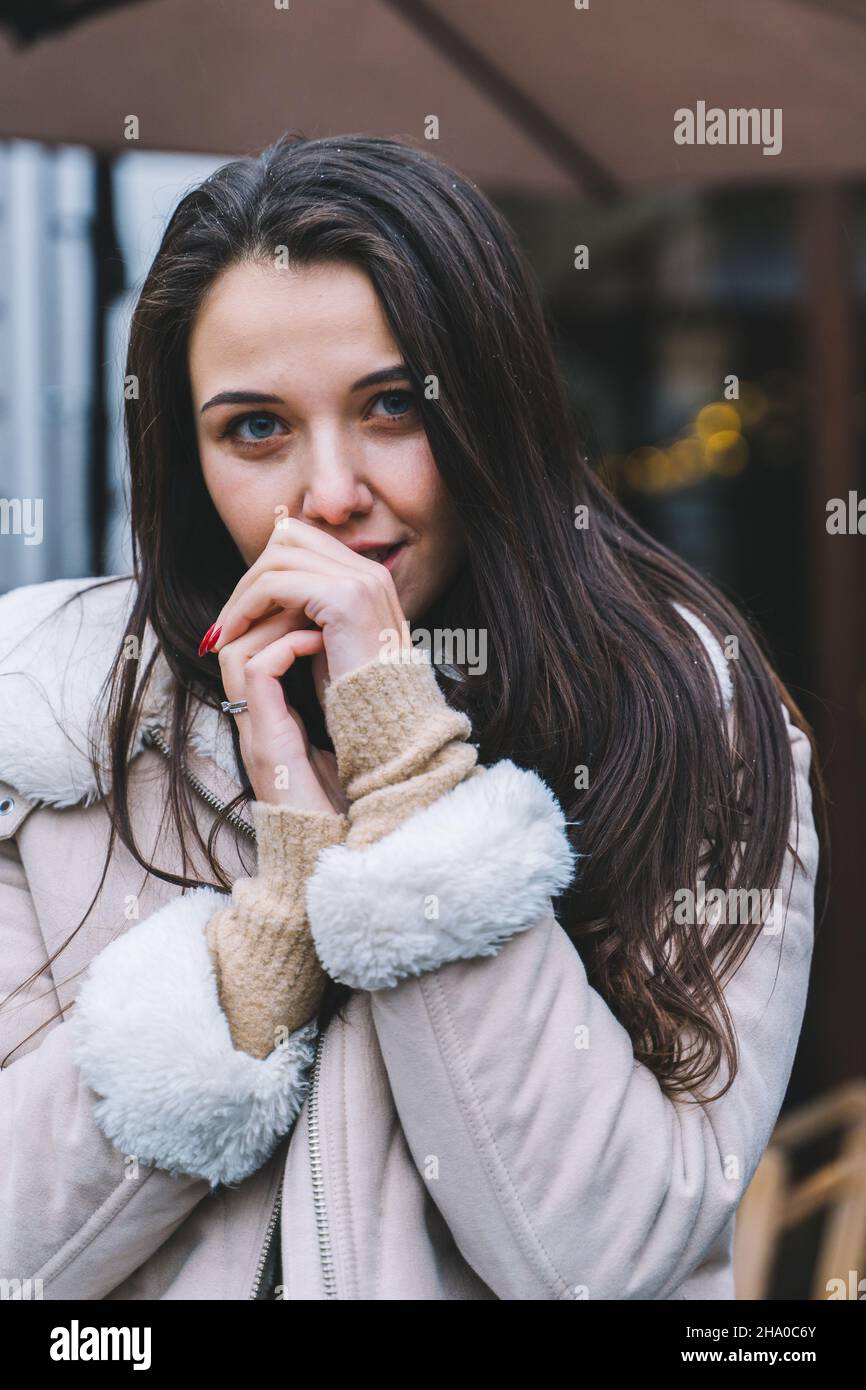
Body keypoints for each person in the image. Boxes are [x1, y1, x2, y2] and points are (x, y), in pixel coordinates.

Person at [0, 132, 821, 1301]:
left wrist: (407, 778)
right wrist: (274, 920)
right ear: (184, 459)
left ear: (495, 405)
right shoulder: (48, 709)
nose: (331, 493)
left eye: (391, 407)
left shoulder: (690, 719)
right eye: (255, 428)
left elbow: (604, 1258)